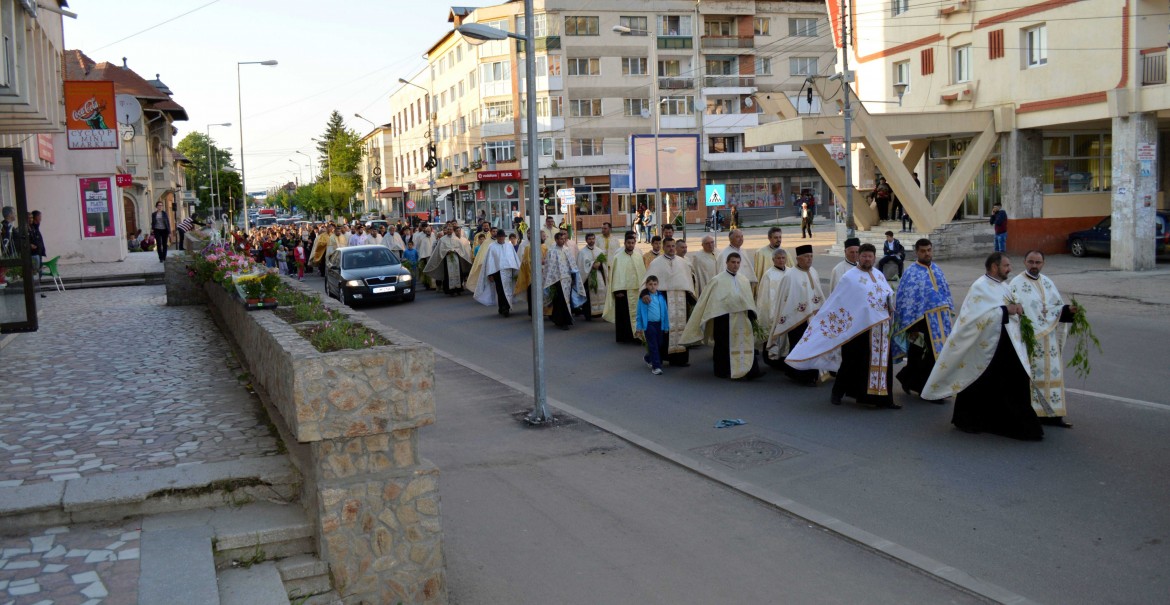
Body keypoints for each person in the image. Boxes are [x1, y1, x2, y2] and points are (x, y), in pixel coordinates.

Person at [924, 253, 1043, 441]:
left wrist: (1017, 307)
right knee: (977, 381)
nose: (1010, 269)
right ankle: (968, 420)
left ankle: (1008, 422)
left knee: (1009, 383)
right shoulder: (980, 286)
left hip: (1004, 344)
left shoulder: (1003, 286)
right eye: (1006, 265)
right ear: (994, 267)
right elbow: (974, 319)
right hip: (983, 347)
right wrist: (1006, 310)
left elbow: (1007, 308)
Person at [787, 243, 898, 408]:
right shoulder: (850, 277)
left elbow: (886, 294)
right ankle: (837, 393)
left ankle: (883, 399)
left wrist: (890, 303)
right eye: (864, 256)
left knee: (879, 364)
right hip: (857, 328)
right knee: (850, 362)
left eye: (870, 256)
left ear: (875, 258)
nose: (867, 259)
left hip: (879, 329)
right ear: (859, 257)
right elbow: (839, 301)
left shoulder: (879, 274)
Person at [1009, 250, 1078, 428]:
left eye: (1038, 262)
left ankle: (1054, 416)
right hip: (1030, 340)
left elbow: (1056, 307)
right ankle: (1033, 414)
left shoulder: (1047, 282)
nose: (1034, 266)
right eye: (1031, 262)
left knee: (1054, 375)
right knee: (1032, 377)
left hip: (1049, 340)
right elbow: (1014, 311)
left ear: (1043, 264)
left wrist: (1068, 310)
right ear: (1024, 262)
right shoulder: (1016, 284)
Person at [680, 252, 762, 380]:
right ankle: (722, 370)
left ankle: (749, 369)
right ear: (727, 263)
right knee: (722, 345)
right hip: (723, 317)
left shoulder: (744, 280)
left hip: (741, 317)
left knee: (744, 343)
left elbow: (748, 299)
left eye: (738, 262)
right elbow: (709, 299)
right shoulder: (717, 280)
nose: (735, 265)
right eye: (733, 262)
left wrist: (751, 312)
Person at [892, 239, 954, 400]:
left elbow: (945, 293)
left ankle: (910, 380)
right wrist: (911, 325)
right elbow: (905, 299)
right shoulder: (911, 272)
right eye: (923, 251)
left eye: (929, 250)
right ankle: (927, 391)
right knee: (921, 355)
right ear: (917, 252)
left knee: (935, 356)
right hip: (919, 322)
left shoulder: (937, 269)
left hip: (940, 321)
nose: (927, 253)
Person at [765, 245, 825, 383]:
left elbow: (818, 293)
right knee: (798, 346)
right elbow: (783, 298)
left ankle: (805, 373)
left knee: (811, 347)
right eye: (806, 256)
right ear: (798, 258)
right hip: (796, 320)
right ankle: (800, 375)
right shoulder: (790, 275)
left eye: (811, 256)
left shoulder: (814, 271)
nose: (809, 259)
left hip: (812, 318)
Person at [644, 238, 695, 367]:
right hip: (663, 300)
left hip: (681, 301)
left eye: (673, 246)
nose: (671, 248)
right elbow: (648, 281)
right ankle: (656, 358)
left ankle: (679, 359)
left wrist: (692, 298)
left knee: (681, 329)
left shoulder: (682, 263)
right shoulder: (656, 263)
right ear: (663, 247)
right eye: (668, 246)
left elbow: (687, 282)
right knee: (663, 331)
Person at [602, 233, 646, 343]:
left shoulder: (638, 256)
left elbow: (642, 272)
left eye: (632, 243)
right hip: (623, 291)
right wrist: (617, 291)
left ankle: (637, 336)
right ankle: (625, 337)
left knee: (638, 314)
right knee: (624, 316)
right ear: (625, 243)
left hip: (637, 291)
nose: (631, 245)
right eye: (629, 243)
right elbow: (615, 275)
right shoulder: (618, 257)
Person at [473, 229, 521, 317]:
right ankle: (502, 308)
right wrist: (490, 274)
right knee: (500, 291)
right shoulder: (492, 246)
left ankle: (507, 307)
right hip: (497, 272)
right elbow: (489, 261)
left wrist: (516, 271)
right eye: (500, 237)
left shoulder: (509, 246)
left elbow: (513, 258)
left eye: (503, 237)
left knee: (508, 290)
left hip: (508, 272)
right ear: (497, 237)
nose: (501, 238)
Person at [542, 231, 584, 330]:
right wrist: (551, 279)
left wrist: (574, 275)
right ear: (556, 240)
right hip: (556, 279)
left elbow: (571, 263)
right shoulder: (552, 250)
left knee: (566, 300)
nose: (563, 240)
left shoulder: (566, 250)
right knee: (560, 300)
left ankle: (564, 319)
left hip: (567, 279)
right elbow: (549, 266)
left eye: (564, 239)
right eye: (561, 239)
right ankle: (561, 321)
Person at [423, 225, 473, 295]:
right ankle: (450, 290)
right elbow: (440, 250)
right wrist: (447, 251)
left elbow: (461, 250)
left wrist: (455, 251)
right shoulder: (442, 240)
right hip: (447, 259)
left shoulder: (456, 239)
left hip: (456, 259)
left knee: (458, 273)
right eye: (448, 229)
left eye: (450, 229)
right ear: (446, 230)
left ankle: (458, 289)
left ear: (452, 230)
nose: (449, 231)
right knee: (448, 275)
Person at [635, 276, 669, 375]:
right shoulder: (644, 299)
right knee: (653, 345)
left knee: (659, 344)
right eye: (650, 284)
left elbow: (665, 312)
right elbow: (639, 314)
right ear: (646, 285)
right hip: (649, 325)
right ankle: (656, 367)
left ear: (658, 285)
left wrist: (666, 326)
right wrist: (639, 327)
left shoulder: (661, 297)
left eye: (655, 284)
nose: (653, 287)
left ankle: (648, 357)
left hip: (659, 324)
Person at [754, 248, 788, 342]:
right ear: (773, 260)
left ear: (786, 259)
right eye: (778, 258)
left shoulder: (790, 273)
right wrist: (769, 313)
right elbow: (763, 297)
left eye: (783, 258)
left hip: (787, 310)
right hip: (774, 310)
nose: (781, 260)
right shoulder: (768, 275)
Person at [514, 230, 548, 315]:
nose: (545, 238)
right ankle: (533, 312)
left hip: (543, 274)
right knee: (532, 294)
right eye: (543, 236)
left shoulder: (544, 247)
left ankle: (543, 310)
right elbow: (526, 261)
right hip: (532, 274)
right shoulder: (528, 248)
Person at [577, 232, 608, 321]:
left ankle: (602, 313)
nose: (591, 241)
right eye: (589, 239)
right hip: (588, 277)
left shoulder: (599, 251)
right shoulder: (582, 252)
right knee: (588, 295)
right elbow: (581, 265)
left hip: (599, 275)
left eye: (593, 239)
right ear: (586, 240)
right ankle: (588, 314)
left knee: (602, 292)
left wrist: (600, 265)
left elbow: (604, 264)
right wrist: (592, 265)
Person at [414, 224, 436, 289]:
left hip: (432, 255)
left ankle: (433, 284)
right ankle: (427, 284)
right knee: (426, 271)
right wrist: (421, 255)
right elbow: (418, 246)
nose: (428, 233)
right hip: (425, 256)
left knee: (433, 270)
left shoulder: (433, 235)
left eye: (429, 231)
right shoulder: (419, 236)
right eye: (427, 231)